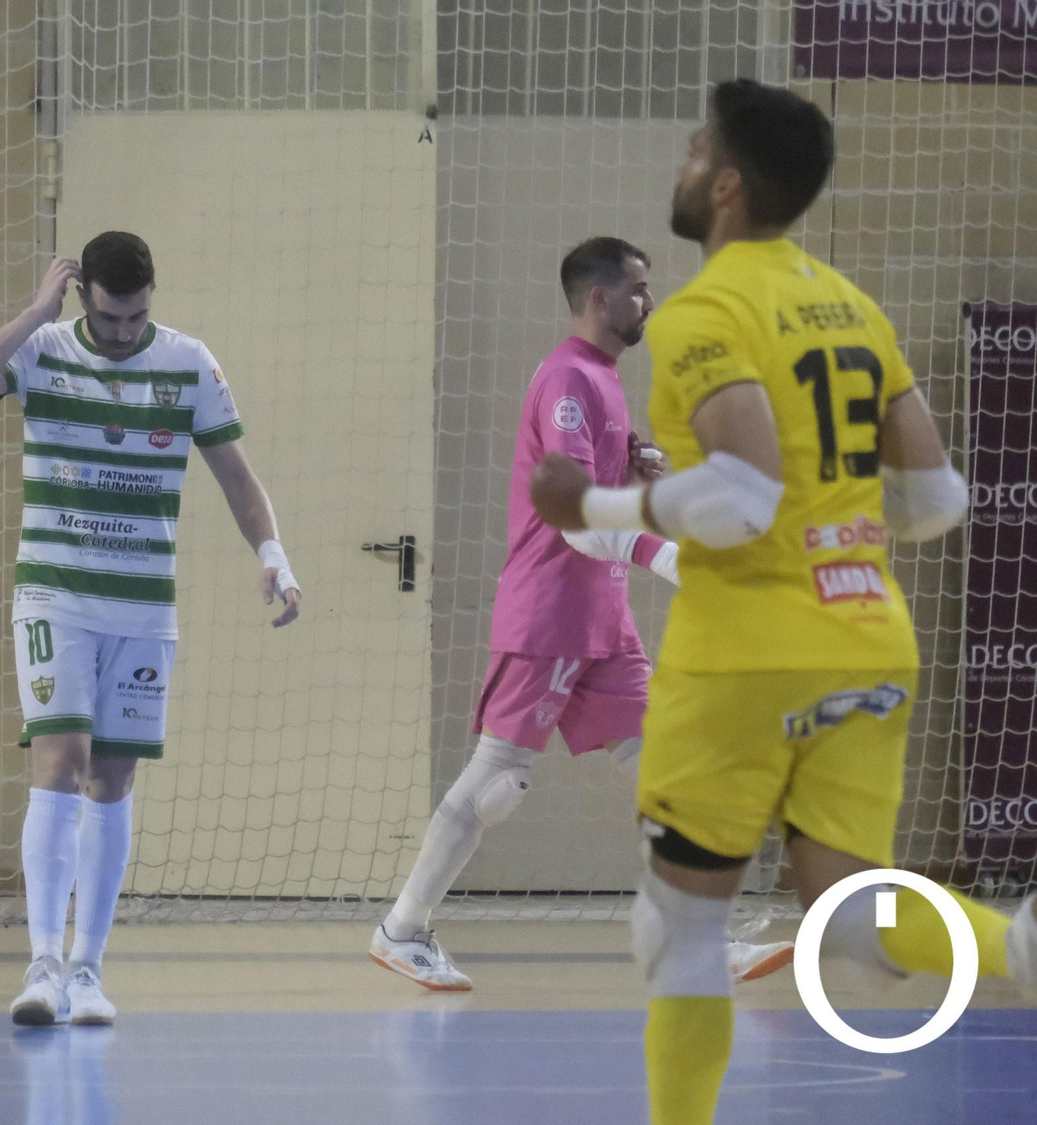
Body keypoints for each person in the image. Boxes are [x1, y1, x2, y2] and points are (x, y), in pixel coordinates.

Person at [528, 78, 1037, 1124]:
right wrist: (834, 526)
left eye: (691, 146)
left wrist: (595, 499)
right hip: (867, 639)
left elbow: (744, 494)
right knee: (850, 921)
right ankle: (1018, 947)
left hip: (745, 658)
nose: (678, 158)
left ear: (723, 184)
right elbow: (937, 500)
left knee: (678, 928)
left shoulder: (707, 310)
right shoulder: (850, 306)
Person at [370, 236, 792, 992]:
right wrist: (667, 558)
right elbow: (569, 518)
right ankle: (401, 928)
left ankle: (701, 938)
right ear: (597, 299)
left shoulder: (602, 378)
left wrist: (633, 471)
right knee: (499, 779)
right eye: (636, 288)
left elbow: (594, 492)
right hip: (551, 611)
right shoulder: (568, 378)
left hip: (603, 613)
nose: (648, 301)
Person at [0, 231, 303, 1025]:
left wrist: (273, 553)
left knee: (114, 778)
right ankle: (40, 964)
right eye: (109, 318)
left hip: (142, 605)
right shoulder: (44, 350)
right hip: (55, 596)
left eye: (136, 317)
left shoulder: (189, 363)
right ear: (82, 298)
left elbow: (238, 478)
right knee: (60, 762)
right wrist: (33, 314)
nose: (124, 332)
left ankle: (88, 970)